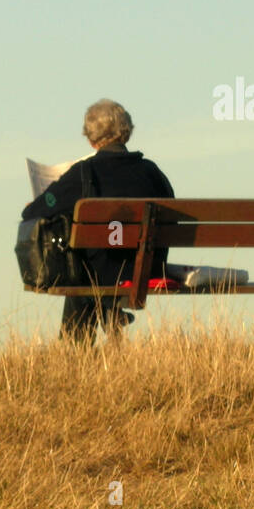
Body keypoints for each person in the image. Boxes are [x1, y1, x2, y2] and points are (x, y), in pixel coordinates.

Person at [22, 99, 174, 346]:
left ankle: (74, 350)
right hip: (147, 270)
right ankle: (107, 317)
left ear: (91, 139)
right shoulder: (151, 171)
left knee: (80, 274)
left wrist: (34, 205)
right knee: (89, 273)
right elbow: (172, 220)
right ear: (127, 131)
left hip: (98, 273)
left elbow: (34, 213)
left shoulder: (83, 173)